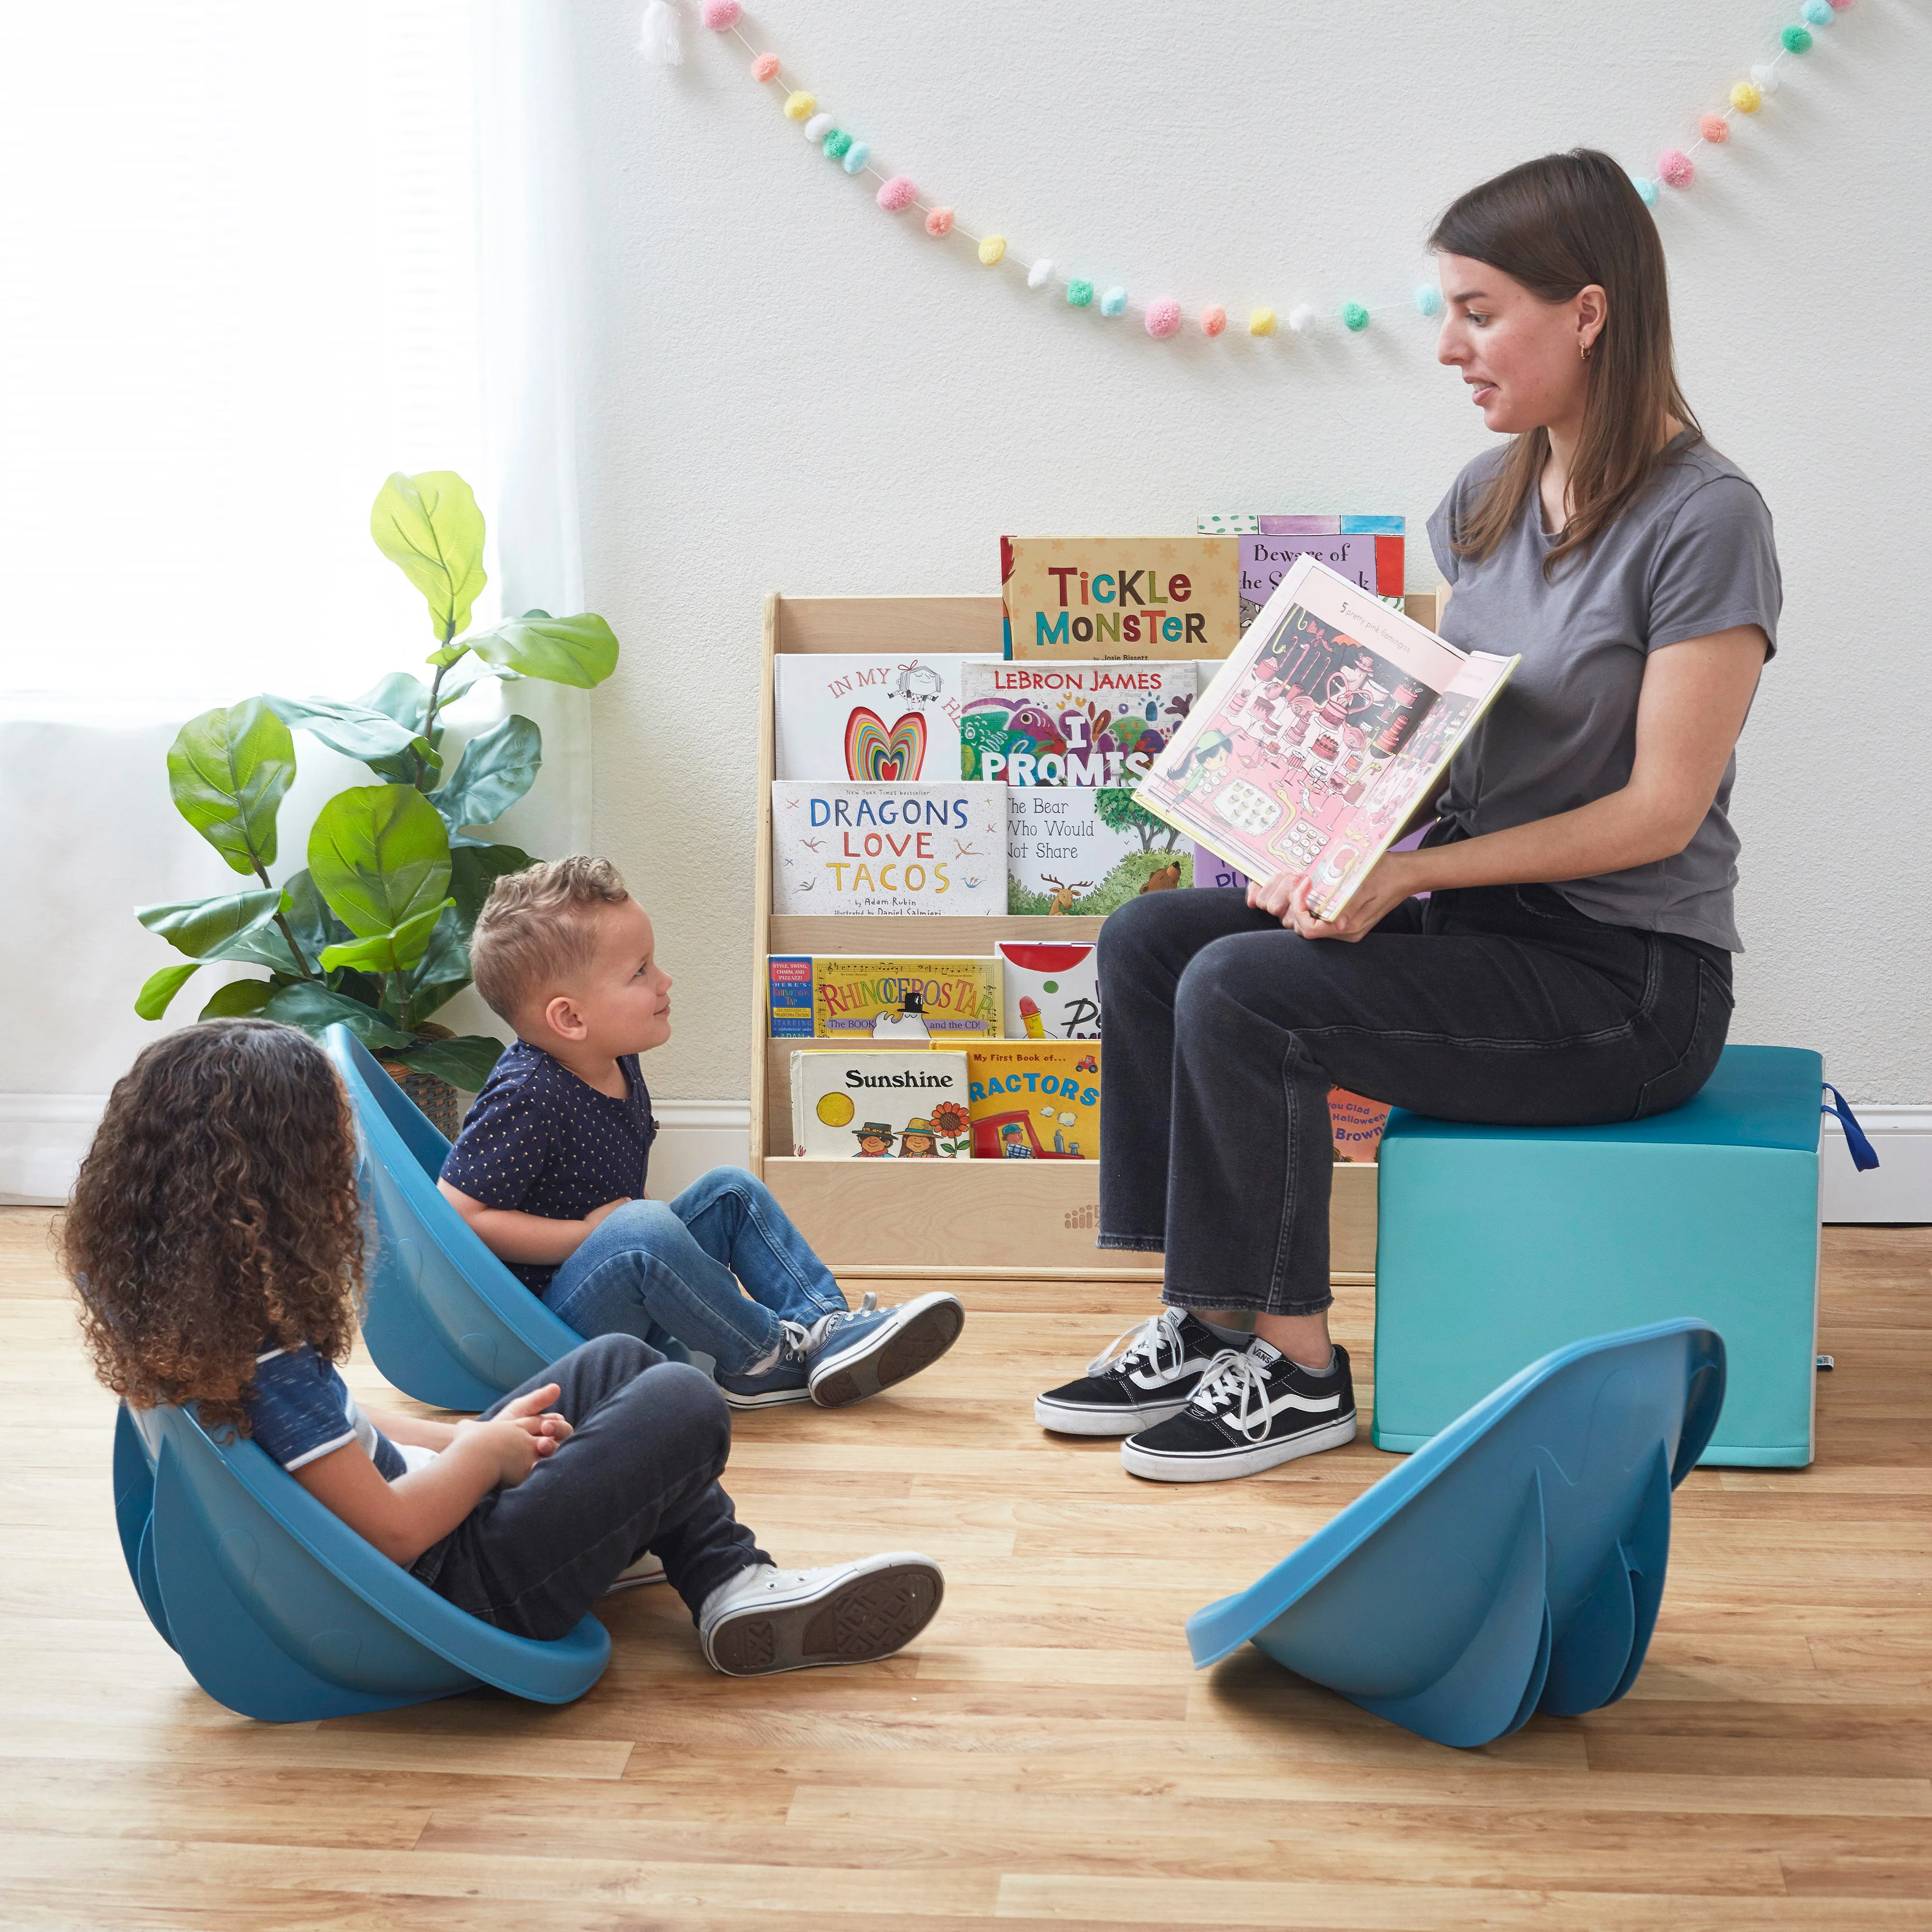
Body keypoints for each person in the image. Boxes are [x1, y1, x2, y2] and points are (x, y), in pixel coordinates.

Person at [1037, 148, 1779, 1482]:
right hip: (1478, 926)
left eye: (1480, 311)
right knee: (1156, 945)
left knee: (1248, 995)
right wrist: (1326, 833)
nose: (1449, 348)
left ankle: (1302, 1369)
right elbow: (1446, 732)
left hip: (1627, 981)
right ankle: (1209, 1324)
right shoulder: (1484, 504)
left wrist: (1397, 879)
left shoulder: (1707, 520)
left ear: (1591, 314)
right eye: (1450, 312)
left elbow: (1660, 815)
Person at [64, 1021, 944, 1672]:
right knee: (682, 1399)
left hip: (442, 1525)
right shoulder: (265, 1365)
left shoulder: (204, 1336)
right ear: (279, 1195)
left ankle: (708, 1572)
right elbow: (402, 1534)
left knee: (621, 1368)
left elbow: (340, 1440)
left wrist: (463, 1440)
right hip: (458, 1588)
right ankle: (726, 1576)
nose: (354, 1183)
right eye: (341, 1163)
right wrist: (484, 1457)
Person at [438, 858, 963, 1410]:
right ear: (570, 1019)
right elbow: (458, 1215)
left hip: (607, 1277)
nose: (664, 980)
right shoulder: (527, 1094)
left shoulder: (616, 1058)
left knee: (731, 1192)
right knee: (643, 1225)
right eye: (640, 971)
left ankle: (823, 1326)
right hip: (547, 1327)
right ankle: (760, 1357)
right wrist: (586, 1235)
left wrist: (615, 1231)